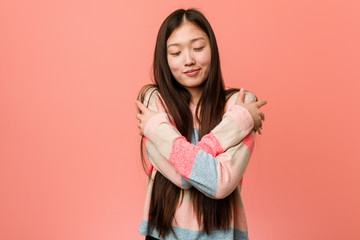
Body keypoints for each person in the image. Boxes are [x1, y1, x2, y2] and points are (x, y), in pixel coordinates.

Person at [135, 8, 267, 240]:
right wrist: (236, 125)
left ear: (213, 50)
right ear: (164, 59)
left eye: (198, 48)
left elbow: (219, 183)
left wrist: (159, 129)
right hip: (162, 234)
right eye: (176, 53)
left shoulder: (241, 103)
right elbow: (184, 178)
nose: (189, 60)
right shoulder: (153, 103)